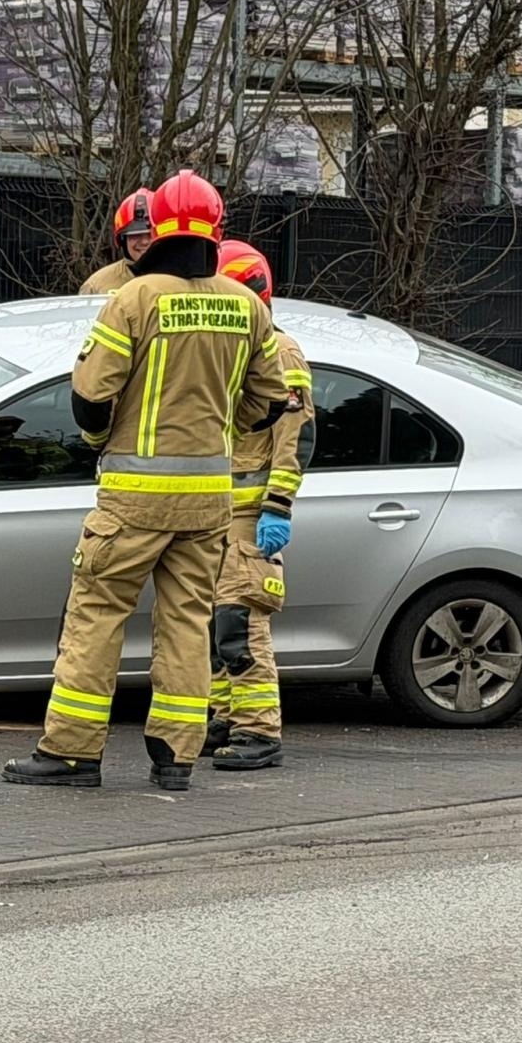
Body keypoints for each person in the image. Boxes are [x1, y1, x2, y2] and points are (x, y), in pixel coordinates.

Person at [3, 171, 288, 793]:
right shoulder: (244, 305)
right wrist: (224, 426)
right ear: (217, 229)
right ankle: (175, 758)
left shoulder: (133, 299)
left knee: (96, 618)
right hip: (211, 500)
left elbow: (89, 397)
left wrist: (102, 444)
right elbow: (270, 402)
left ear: (154, 227)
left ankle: (73, 754)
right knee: (187, 622)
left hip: (133, 497)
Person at [207, 239, 317, 771]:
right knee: (215, 625)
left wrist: (278, 505)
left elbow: (296, 438)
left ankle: (258, 730)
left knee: (240, 623)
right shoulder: (235, 349)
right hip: (217, 515)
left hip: (250, 518)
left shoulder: (280, 352)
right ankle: (226, 717)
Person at [78, 188, 154, 295]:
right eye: (135, 235)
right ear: (122, 239)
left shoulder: (182, 279)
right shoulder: (96, 286)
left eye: (152, 233)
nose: (145, 241)